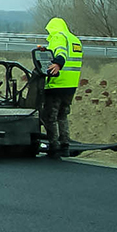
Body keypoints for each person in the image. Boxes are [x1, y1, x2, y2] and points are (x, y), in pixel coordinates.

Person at [38, 17, 82, 158]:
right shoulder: (74, 39)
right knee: (63, 115)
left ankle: (54, 146)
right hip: (71, 84)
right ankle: (65, 144)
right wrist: (47, 51)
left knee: (50, 116)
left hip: (57, 83)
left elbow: (61, 54)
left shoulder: (58, 37)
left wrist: (57, 64)